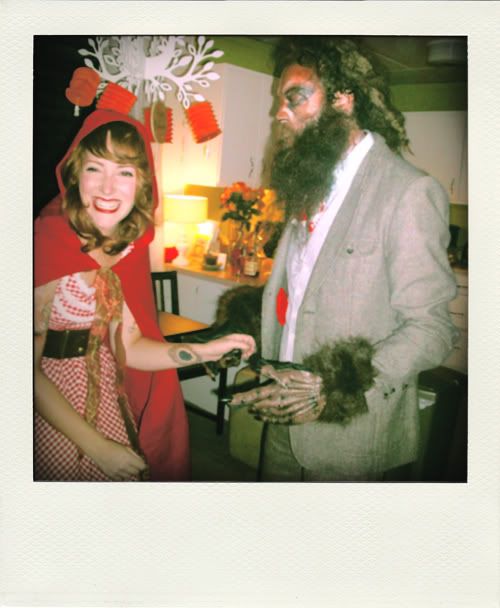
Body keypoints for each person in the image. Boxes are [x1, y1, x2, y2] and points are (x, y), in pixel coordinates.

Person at [231, 37, 458, 481]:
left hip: (349, 429)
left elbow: (432, 330)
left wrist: (333, 389)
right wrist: (242, 329)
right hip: (284, 411)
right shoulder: (311, 180)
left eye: (295, 97)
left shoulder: (407, 192)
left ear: (343, 99)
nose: (280, 113)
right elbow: (302, 297)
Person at [34, 107, 255, 482]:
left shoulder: (128, 249)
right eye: (95, 168)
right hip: (54, 412)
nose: (108, 188)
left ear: (141, 183)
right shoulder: (47, 241)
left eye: (124, 172)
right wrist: (98, 447)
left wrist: (204, 350)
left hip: (110, 400)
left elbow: (131, 345)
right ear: (74, 174)